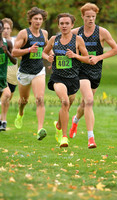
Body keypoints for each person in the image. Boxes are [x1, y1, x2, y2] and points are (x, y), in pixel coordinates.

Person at [69, 3, 117, 148]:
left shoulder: (102, 32)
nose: (91, 19)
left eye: (93, 17)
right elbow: (60, 42)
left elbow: (115, 50)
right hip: (81, 71)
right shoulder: (75, 32)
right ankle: (91, 138)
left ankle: (75, 120)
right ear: (82, 17)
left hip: (96, 71)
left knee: (85, 104)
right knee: (89, 100)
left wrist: (98, 58)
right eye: (88, 17)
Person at [44, 13, 90, 148]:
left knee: (67, 105)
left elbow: (87, 58)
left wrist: (74, 55)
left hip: (73, 79)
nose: (64, 26)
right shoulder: (54, 39)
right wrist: (48, 58)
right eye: (61, 23)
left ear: (72, 25)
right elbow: (44, 52)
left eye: (67, 23)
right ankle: (64, 137)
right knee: (64, 102)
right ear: (58, 25)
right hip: (58, 78)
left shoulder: (78, 40)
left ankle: (58, 125)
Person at [12, 7, 52, 140]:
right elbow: (14, 52)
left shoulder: (44, 33)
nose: (38, 21)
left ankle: (40, 129)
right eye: (36, 19)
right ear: (30, 19)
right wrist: (29, 49)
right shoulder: (24, 33)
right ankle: (21, 113)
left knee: (39, 98)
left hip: (38, 70)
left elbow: (46, 49)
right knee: (24, 100)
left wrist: (50, 57)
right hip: (24, 72)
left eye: (40, 19)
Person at [0, 18, 18, 131]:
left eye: (7, 28)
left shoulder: (10, 42)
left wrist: (7, 52)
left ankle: (3, 120)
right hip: (4, 74)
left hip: (11, 74)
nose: (5, 30)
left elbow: (15, 59)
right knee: (5, 95)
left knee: (7, 98)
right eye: (4, 28)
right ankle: (3, 121)